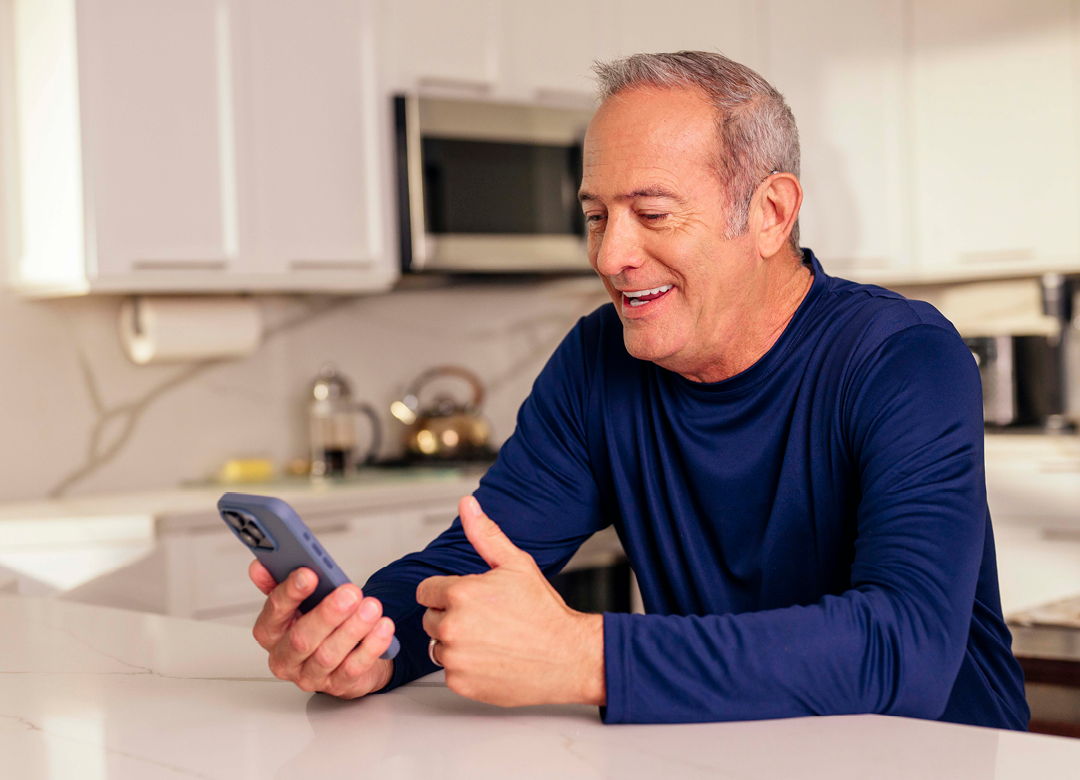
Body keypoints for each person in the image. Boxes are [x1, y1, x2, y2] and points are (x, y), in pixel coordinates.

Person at [248, 51, 1029, 728]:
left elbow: (908, 648)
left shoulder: (903, 357)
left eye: (652, 213)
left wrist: (588, 657)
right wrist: (367, 640)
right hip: (727, 751)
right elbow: (472, 563)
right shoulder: (599, 362)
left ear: (769, 213)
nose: (612, 255)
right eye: (596, 216)